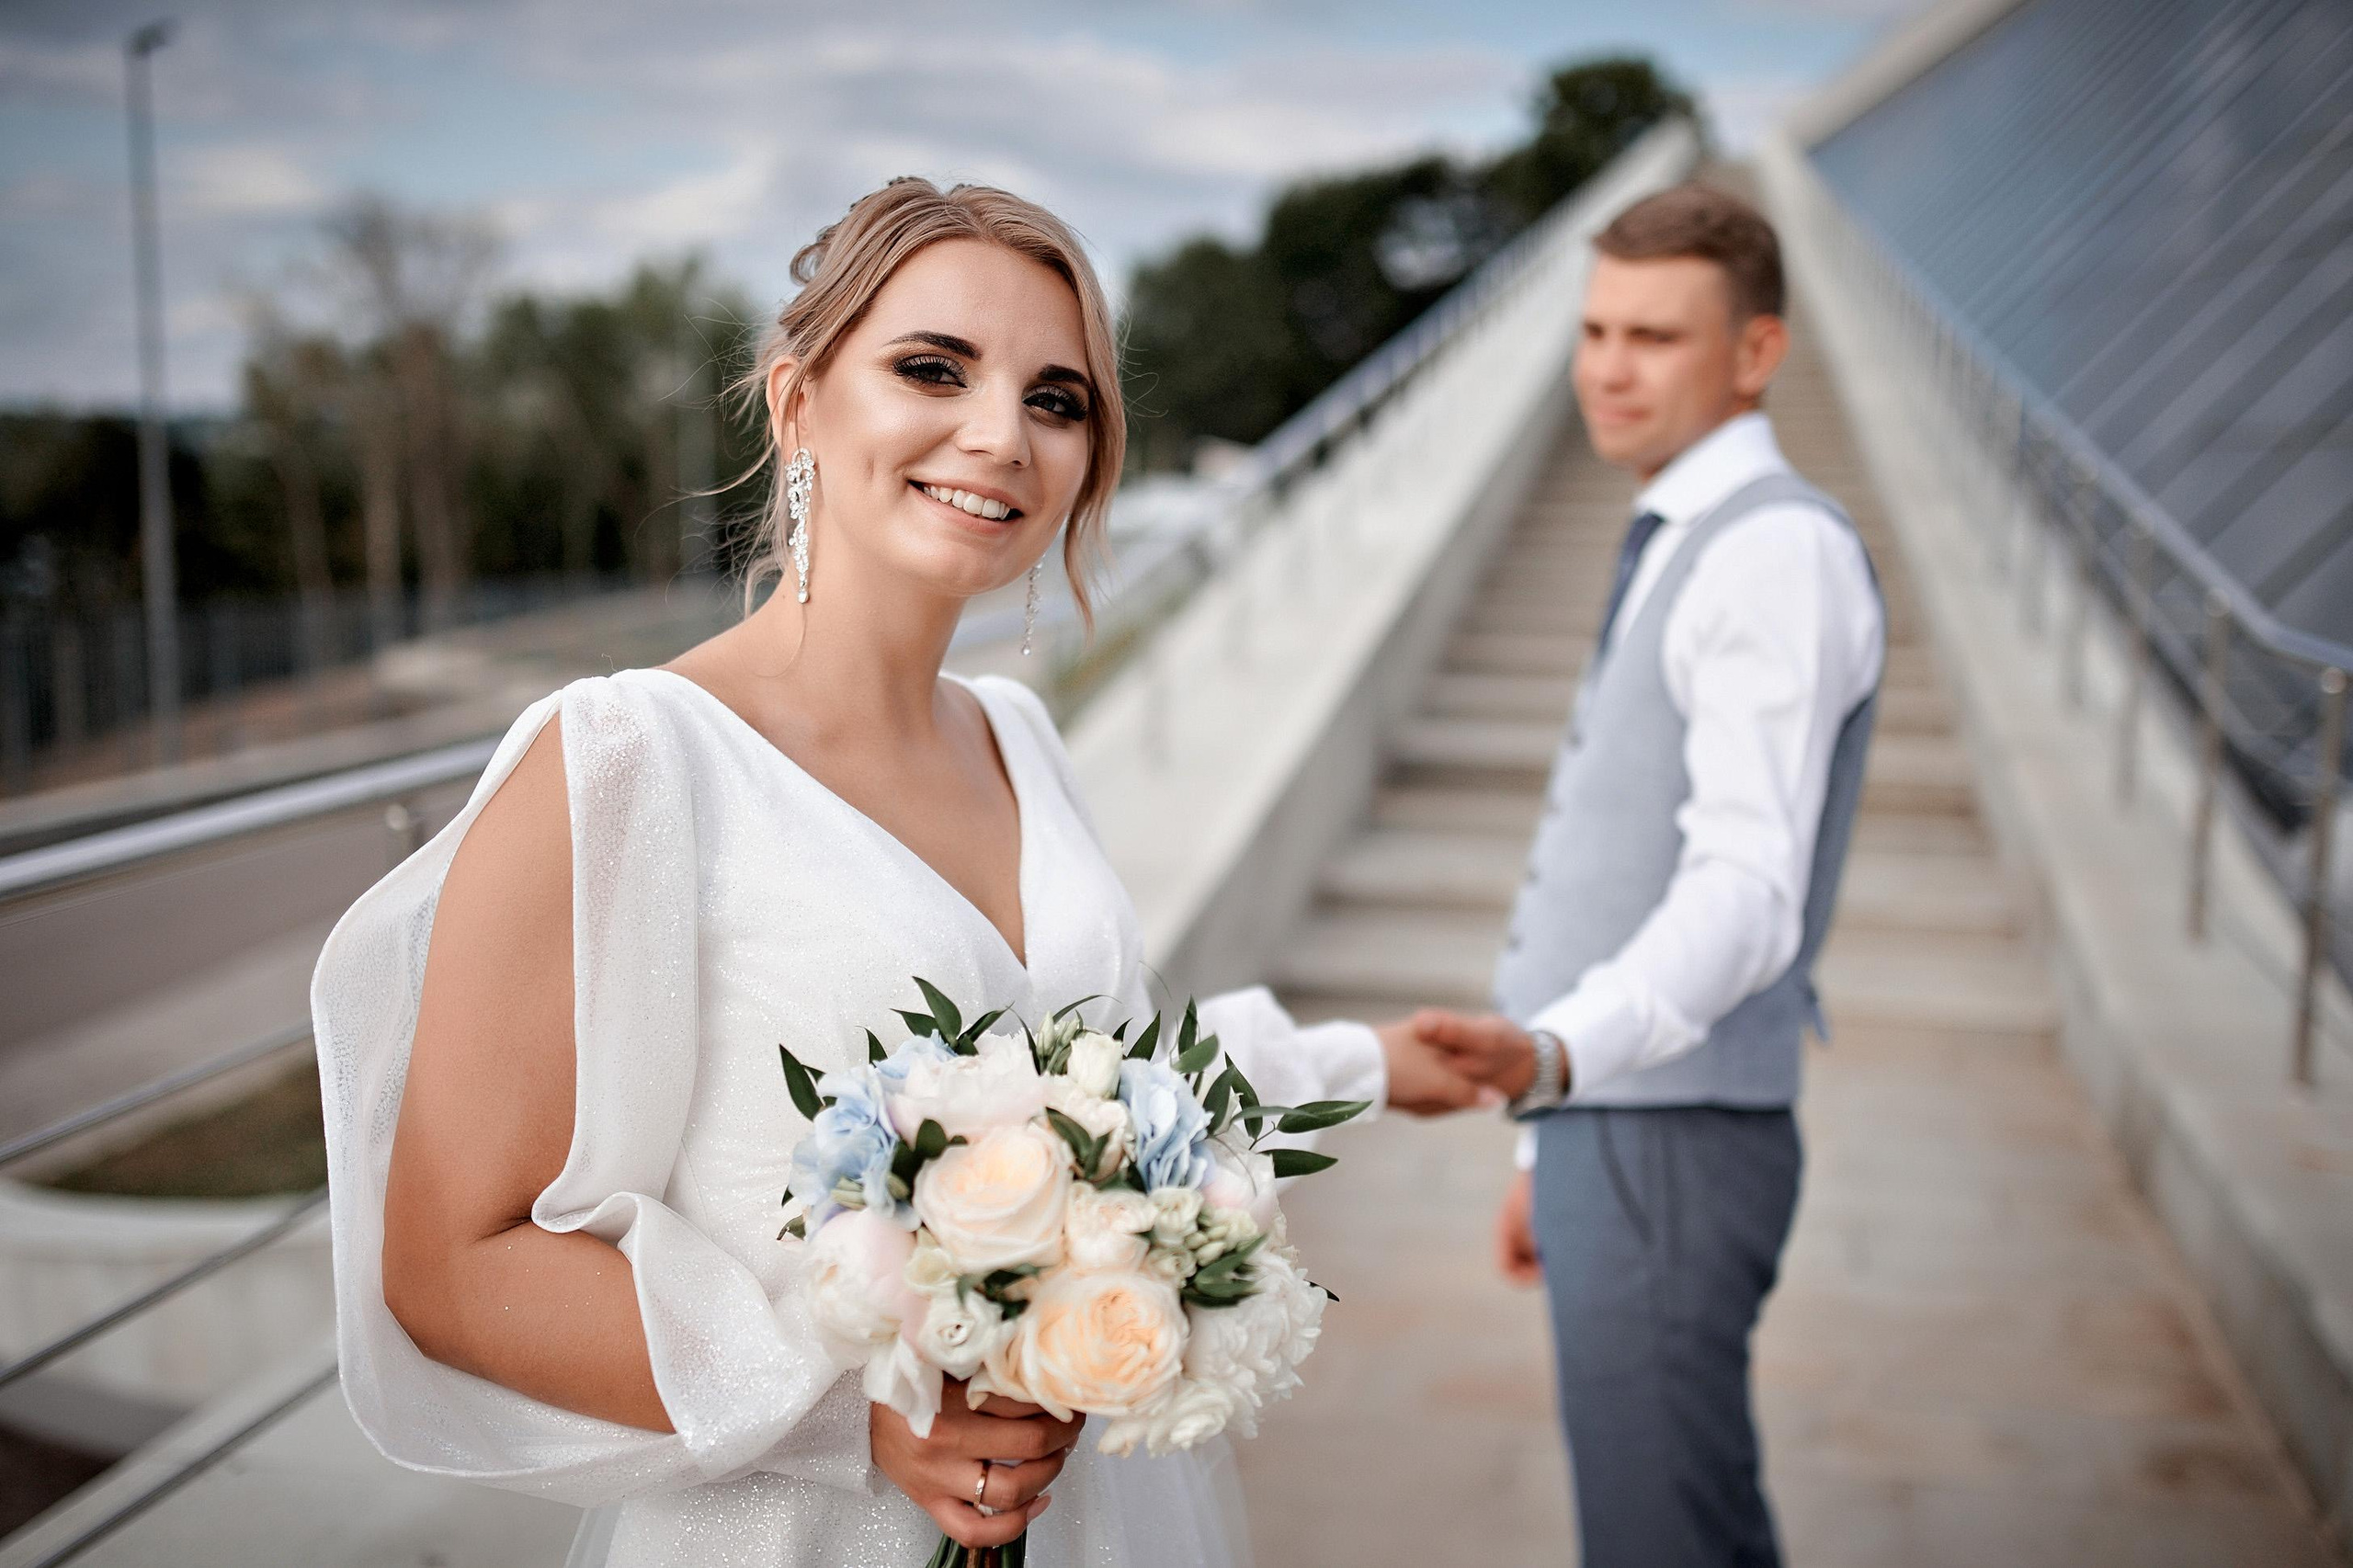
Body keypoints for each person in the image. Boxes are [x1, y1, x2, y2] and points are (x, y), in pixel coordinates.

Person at [310, 177, 1494, 1568]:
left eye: (1058, 400)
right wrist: (857, 1416)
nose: (1000, 435)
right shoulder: (630, 756)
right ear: (798, 403)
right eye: (933, 368)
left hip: (1091, 1520)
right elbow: (450, 1263)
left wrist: (1363, 1058)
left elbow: (1094, 1085)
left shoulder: (1020, 733)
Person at [1416, 184, 1885, 1567]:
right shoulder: (1687, 537)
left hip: (1667, 1132)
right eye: (1597, 328)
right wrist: (1542, 1142)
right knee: (1675, 1522)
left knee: (1661, 1536)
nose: (1608, 368)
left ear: (1756, 352)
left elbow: (1749, 894)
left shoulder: (1773, 554)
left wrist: (1559, 1058)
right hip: (1618, 1128)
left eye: (1657, 337)